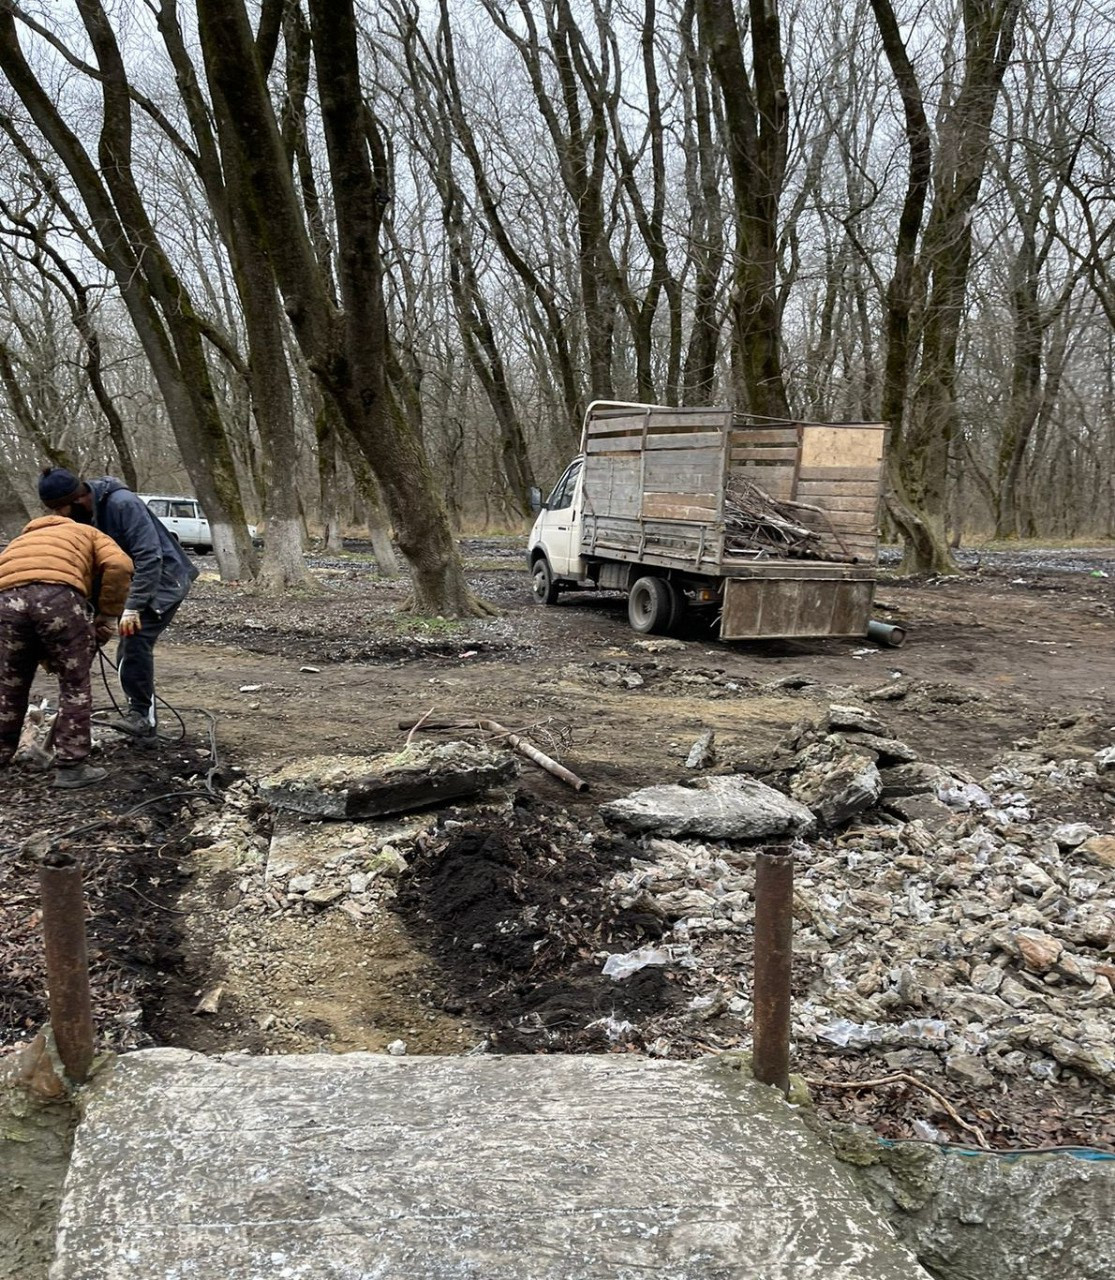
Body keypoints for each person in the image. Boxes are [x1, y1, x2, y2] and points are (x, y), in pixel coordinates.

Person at [37, 468, 198, 739]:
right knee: (99, 638)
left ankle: (142, 718)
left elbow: (149, 556)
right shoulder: (86, 516)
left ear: (77, 499)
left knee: (134, 639)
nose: (59, 516)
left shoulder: (123, 503)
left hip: (164, 579)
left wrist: (132, 607)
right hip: (133, 579)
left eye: (60, 509)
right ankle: (96, 716)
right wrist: (98, 613)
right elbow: (100, 566)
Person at [0, 512, 133, 788]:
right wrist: (108, 614)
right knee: (75, 683)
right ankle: (72, 766)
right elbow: (120, 565)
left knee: (9, 683)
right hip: (57, 596)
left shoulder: (22, 540)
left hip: (5, 599)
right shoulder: (87, 532)